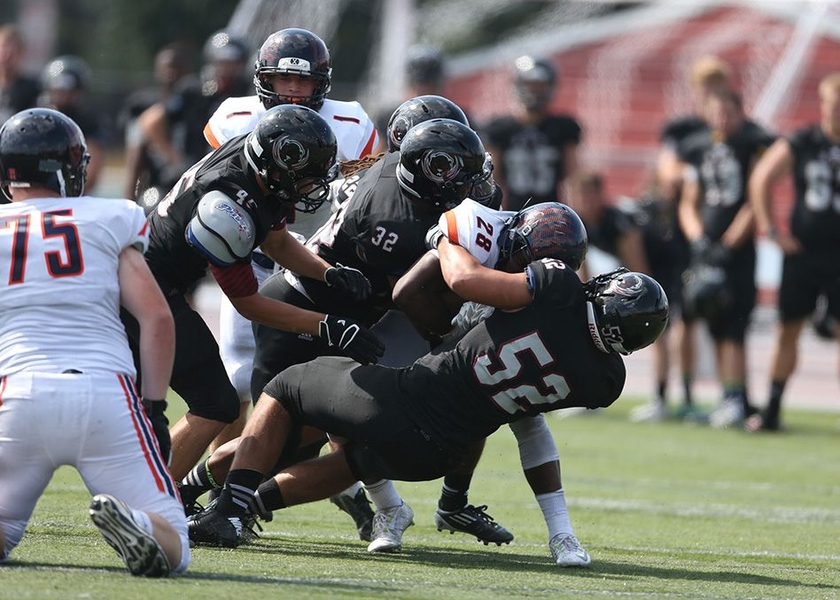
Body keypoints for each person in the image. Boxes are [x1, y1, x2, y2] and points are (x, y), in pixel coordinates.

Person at [186, 255, 667, 568]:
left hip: (400, 401)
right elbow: (532, 420)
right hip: (441, 456)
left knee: (287, 387)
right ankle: (250, 503)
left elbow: (464, 279)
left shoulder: (557, 288)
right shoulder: (605, 382)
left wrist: (445, 237)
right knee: (355, 461)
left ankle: (228, 509)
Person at [179, 116, 495, 553]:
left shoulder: (392, 170)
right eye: (452, 168)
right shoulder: (395, 221)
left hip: (332, 313)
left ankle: (217, 505)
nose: (466, 181)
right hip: (305, 313)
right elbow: (410, 294)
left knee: (302, 437)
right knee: (282, 438)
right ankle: (200, 501)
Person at [122, 103, 383, 484]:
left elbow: (276, 242)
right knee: (216, 403)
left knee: (208, 402)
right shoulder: (227, 207)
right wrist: (328, 326)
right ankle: (149, 500)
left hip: (150, 283)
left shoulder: (254, 162)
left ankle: (151, 497)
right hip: (143, 290)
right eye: (306, 177)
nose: (311, 187)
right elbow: (249, 304)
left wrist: (329, 273)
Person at [199, 28, 385, 531]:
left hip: (319, 265)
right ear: (264, 79)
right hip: (256, 257)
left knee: (327, 387)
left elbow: (359, 197)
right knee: (239, 382)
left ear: (323, 83)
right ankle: (226, 498)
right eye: (284, 79)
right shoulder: (233, 116)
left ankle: (357, 498)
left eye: (303, 83)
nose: (294, 92)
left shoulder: (352, 122)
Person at [0, 107, 189, 576]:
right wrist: (155, 407)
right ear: (69, 167)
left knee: (3, 529)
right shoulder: (109, 217)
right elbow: (157, 318)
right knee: (176, 546)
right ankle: (143, 525)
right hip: (105, 392)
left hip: (19, 393)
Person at [393, 199, 593, 566]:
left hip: (476, 343)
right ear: (513, 239)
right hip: (415, 330)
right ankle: (388, 508)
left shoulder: (546, 284)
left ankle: (557, 533)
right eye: (523, 262)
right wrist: (444, 343)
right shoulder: (476, 231)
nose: (525, 274)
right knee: (385, 422)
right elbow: (408, 291)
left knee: (518, 408)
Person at [677, 88, 777, 428]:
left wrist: (729, 243)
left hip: (737, 251)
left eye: (728, 112)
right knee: (714, 322)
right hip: (707, 248)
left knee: (735, 325)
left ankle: (737, 398)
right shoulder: (698, 146)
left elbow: (754, 198)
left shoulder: (752, 142)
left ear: (740, 111)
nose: (722, 118)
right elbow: (689, 201)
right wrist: (698, 238)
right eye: (716, 112)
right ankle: (727, 396)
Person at [746, 73, 840, 432]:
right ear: (824, 105)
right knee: (788, 329)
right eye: (834, 105)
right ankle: (772, 408)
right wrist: (771, 230)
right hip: (803, 252)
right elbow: (761, 178)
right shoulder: (804, 140)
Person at [648, 55, 734, 419]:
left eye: (719, 85)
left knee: (711, 315)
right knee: (678, 314)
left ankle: (719, 396)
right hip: (680, 234)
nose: (713, 93)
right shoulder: (683, 130)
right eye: (707, 86)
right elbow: (668, 172)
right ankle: (672, 395)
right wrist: (696, 173)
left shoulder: (732, 130)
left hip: (718, 232)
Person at [138, 30, 251, 195]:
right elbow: (150, 122)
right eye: (222, 62)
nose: (227, 69)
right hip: (191, 176)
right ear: (211, 61)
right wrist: (176, 159)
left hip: (233, 177)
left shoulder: (250, 92)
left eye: (232, 62)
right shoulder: (193, 91)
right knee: (154, 203)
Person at [483, 55, 582, 211]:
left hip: (551, 213)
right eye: (530, 85)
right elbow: (492, 180)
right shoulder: (499, 129)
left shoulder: (564, 128)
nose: (534, 91)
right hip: (511, 212)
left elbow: (573, 178)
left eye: (540, 85)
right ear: (518, 85)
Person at [120, 43, 194, 209]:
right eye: (167, 67)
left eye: (177, 67)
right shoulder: (143, 104)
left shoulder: (197, 101)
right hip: (157, 184)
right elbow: (135, 153)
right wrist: (129, 199)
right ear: (157, 70)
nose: (171, 72)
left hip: (193, 182)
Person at [37, 55, 107, 192]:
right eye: (58, 91)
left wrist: (48, 168)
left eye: (69, 91)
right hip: (35, 193)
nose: (63, 96)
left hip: (70, 193)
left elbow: (90, 175)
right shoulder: (36, 120)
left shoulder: (88, 123)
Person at [0, 25, 40, 127]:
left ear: (22, 53)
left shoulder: (33, 89)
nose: (7, 55)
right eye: (4, 48)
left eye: (12, 50)